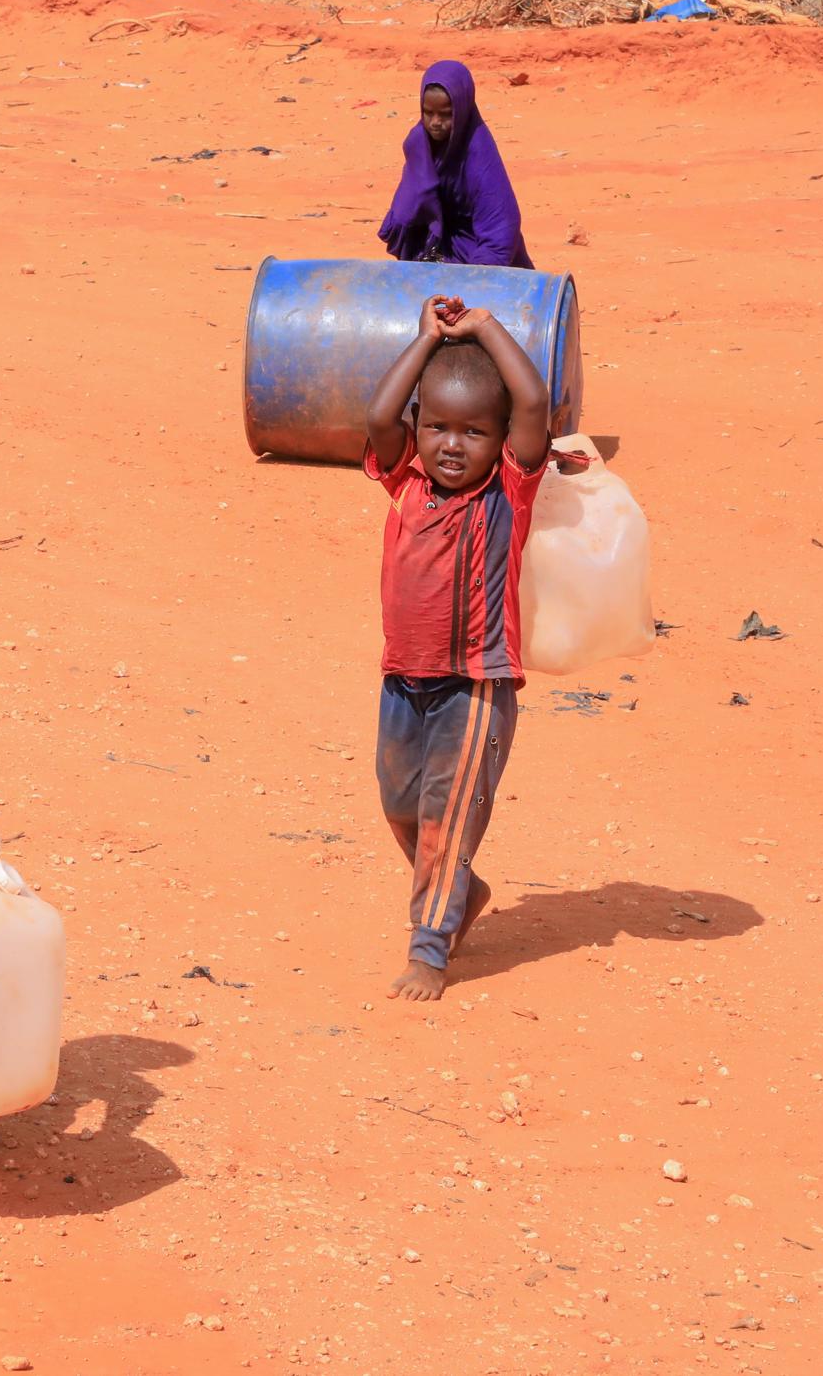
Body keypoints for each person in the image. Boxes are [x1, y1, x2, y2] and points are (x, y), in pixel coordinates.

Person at [360, 295, 553, 1000]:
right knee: (400, 805)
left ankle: (429, 949)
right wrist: (423, 340)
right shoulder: (405, 479)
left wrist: (484, 328)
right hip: (402, 680)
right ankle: (461, 892)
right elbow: (380, 417)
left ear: (501, 440)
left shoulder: (508, 491)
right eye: (437, 426)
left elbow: (533, 402)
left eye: (474, 432)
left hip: (474, 684)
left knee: (445, 818)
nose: (451, 444)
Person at [378, 60, 531, 268]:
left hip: (479, 256)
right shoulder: (418, 144)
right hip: (437, 250)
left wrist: (473, 278)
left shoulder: (479, 156)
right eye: (428, 112)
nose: (435, 122)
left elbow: (500, 229)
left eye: (445, 114)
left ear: (461, 110)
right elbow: (410, 205)